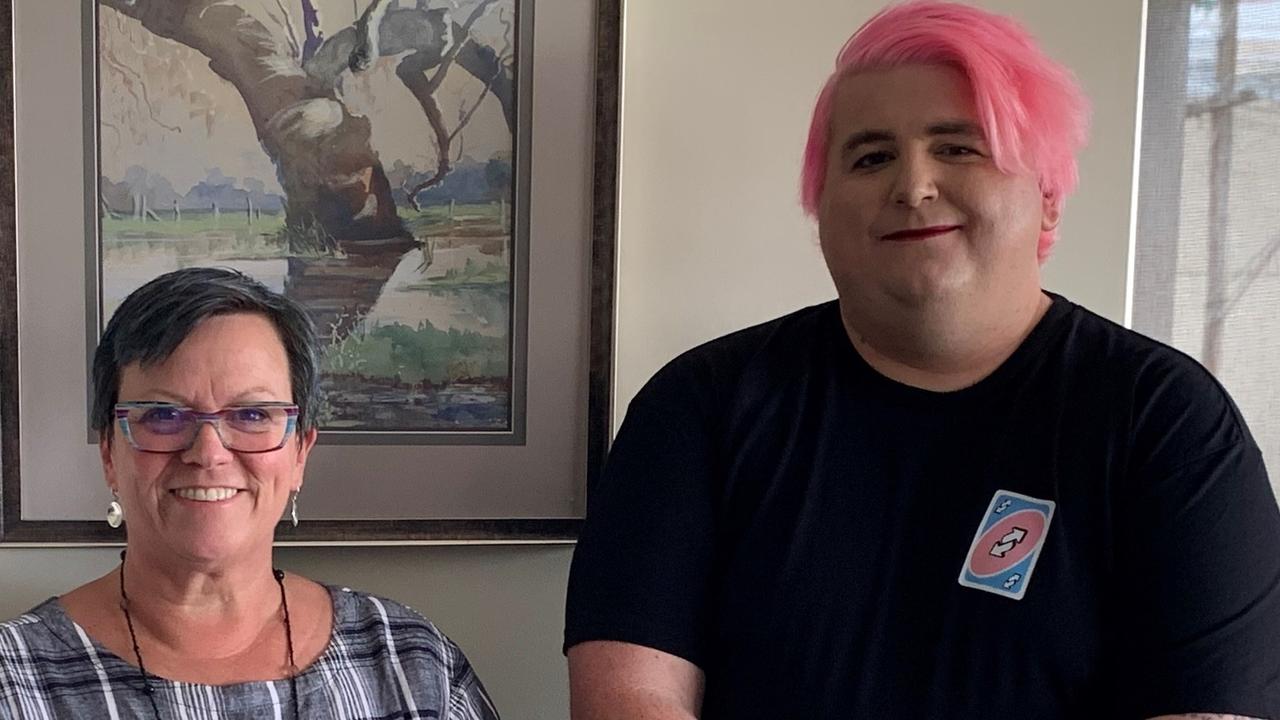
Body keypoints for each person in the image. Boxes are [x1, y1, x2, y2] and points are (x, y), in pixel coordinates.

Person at [563, 2, 1280, 719]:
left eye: (959, 147)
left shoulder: (1168, 422)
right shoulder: (698, 408)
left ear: (1049, 199)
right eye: (871, 157)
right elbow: (630, 696)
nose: (912, 186)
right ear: (821, 212)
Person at [0, 267, 500, 719]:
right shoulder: (16, 679)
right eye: (164, 415)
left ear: (300, 451)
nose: (209, 453)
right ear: (110, 452)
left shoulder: (411, 665)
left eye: (253, 414)